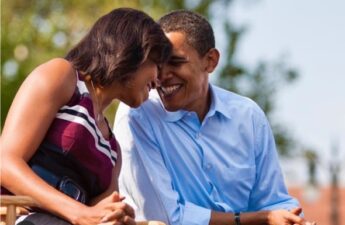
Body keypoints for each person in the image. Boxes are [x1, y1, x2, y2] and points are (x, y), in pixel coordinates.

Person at [114, 10, 315, 225]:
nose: (161, 76)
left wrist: (291, 218)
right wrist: (257, 219)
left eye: (175, 62)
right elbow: (165, 217)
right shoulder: (138, 115)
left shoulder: (248, 116)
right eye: (157, 64)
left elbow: (271, 201)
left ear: (210, 61)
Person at [0, 8, 171, 225]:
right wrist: (78, 213)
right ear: (132, 52)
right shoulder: (62, 77)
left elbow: (99, 215)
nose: (158, 81)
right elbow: (5, 162)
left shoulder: (112, 151)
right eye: (156, 65)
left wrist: (115, 216)